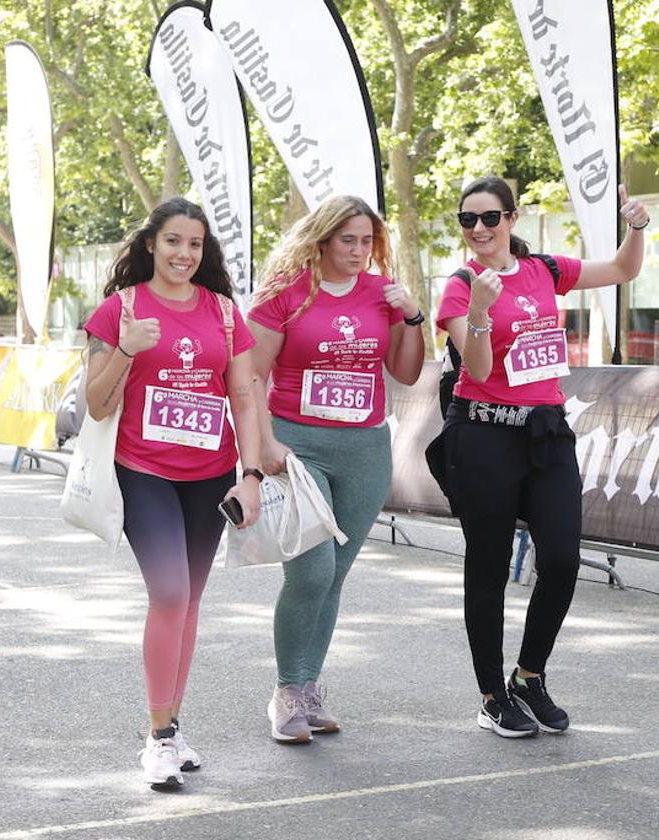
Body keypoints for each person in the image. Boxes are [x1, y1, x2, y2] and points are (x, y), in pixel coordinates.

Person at [433, 176, 648, 738]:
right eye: (468, 220)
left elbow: (623, 271)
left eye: (490, 217)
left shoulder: (544, 270)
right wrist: (480, 310)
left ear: (511, 218)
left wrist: (637, 227)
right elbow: (476, 369)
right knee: (488, 566)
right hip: (483, 436)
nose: (479, 229)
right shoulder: (460, 286)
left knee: (561, 559)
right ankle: (490, 696)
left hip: (547, 432)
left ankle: (528, 677)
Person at [84, 197, 262, 789]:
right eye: (173, 242)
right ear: (150, 246)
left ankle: (172, 723)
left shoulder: (225, 312)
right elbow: (97, 402)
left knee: (188, 602)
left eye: (195, 244)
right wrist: (129, 349)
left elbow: (243, 396)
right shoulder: (120, 310)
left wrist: (253, 473)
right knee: (168, 592)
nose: (185, 254)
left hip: (209, 475)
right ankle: (158, 738)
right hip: (145, 472)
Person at [248, 195, 424, 743]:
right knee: (311, 570)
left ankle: (308, 687)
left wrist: (413, 315)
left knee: (335, 576)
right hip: (299, 449)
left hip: (365, 450)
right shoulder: (286, 296)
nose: (358, 250)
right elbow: (249, 376)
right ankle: (285, 693)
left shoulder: (382, 294)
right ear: (322, 240)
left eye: (367, 241)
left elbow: (407, 371)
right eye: (347, 239)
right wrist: (266, 443)